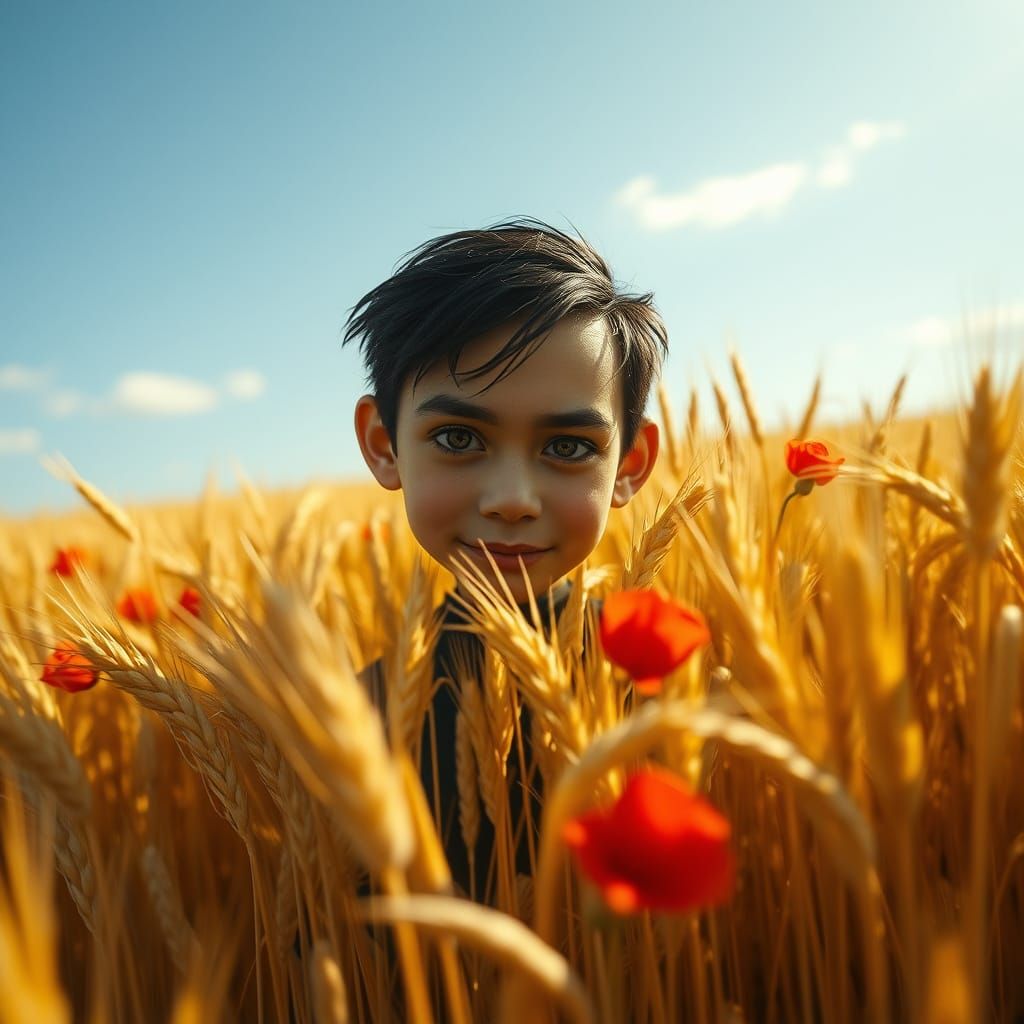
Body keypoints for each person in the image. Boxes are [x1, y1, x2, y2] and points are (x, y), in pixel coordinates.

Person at [343, 216, 667, 904]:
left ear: (630, 466)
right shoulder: (353, 715)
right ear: (383, 443)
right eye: (459, 437)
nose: (513, 500)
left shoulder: (667, 681)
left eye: (569, 447)